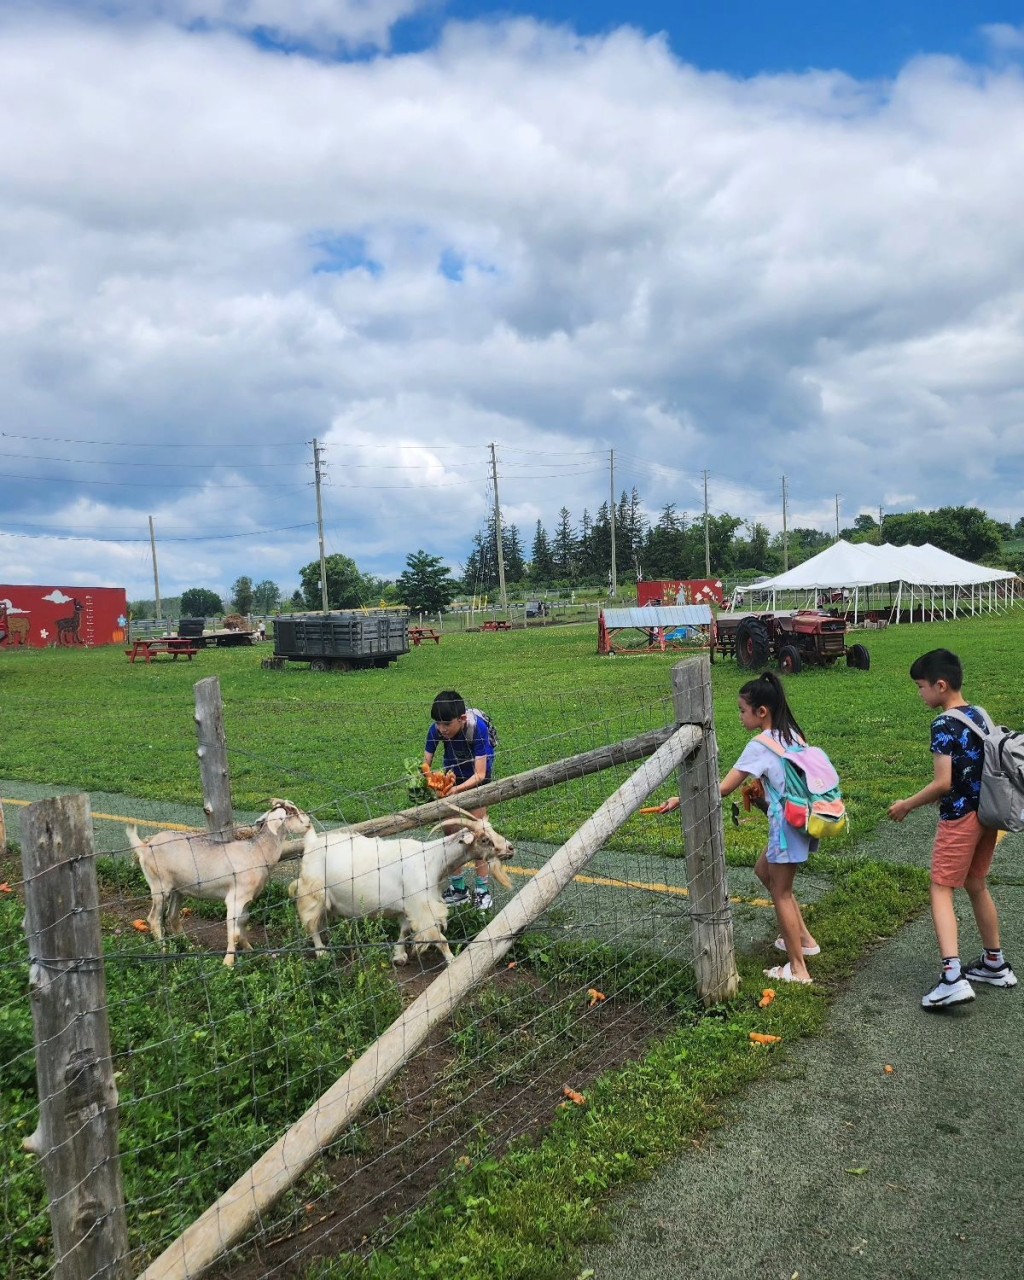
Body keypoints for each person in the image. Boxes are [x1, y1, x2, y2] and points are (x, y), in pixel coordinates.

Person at [662, 670, 820, 983]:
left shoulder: (760, 745)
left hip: (787, 829)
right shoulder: (793, 736)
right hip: (803, 822)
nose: (739, 716)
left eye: (742, 710)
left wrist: (680, 798)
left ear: (762, 712)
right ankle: (804, 940)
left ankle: (798, 969)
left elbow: (720, 788)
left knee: (782, 894)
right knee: (765, 872)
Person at [888, 648, 1017, 1009]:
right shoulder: (980, 714)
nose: (920, 694)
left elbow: (943, 782)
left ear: (940, 686)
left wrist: (906, 805)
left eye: (921, 687)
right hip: (987, 814)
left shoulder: (944, 724)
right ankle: (994, 962)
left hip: (960, 816)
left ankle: (952, 977)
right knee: (976, 883)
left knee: (941, 887)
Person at [423, 690, 497, 910]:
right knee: (451, 832)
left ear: (462, 719)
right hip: (453, 777)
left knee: (478, 833)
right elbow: (425, 763)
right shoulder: (437, 730)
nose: (442, 729)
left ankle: (482, 890)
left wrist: (456, 790)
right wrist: (430, 781)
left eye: (447, 724)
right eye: (438, 724)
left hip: (477, 781)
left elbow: (481, 774)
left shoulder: (477, 729)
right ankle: (458, 888)